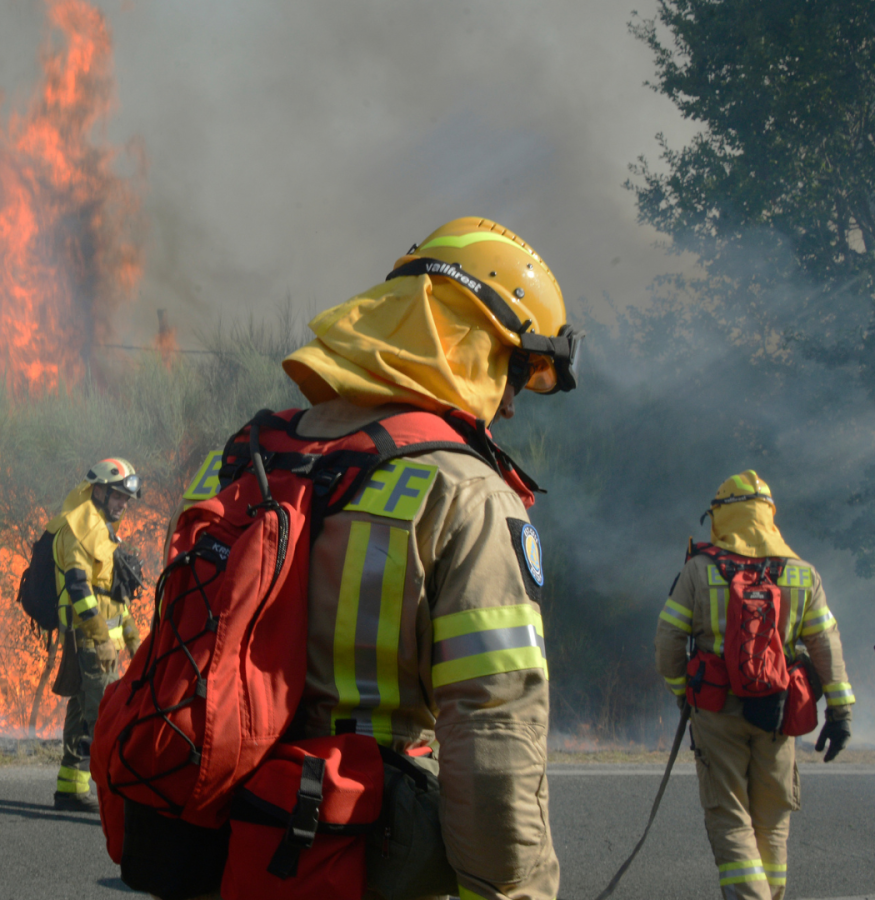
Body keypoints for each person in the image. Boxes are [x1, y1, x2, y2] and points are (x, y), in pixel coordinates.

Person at [273, 217, 580, 899]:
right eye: (511, 370)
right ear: (473, 343)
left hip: (240, 841)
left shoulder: (251, 459)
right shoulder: (465, 492)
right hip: (364, 843)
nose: (508, 404)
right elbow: (492, 734)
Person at [654, 471, 854, 900]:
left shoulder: (699, 571)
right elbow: (826, 646)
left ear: (723, 516)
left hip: (717, 712)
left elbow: (668, 641)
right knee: (773, 818)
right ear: (768, 516)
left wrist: (681, 693)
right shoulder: (802, 575)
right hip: (778, 714)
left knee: (729, 815)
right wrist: (840, 710)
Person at [49, 458, 143, 812]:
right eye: (117, 496)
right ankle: (112, 796)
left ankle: (70, 787)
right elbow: (79, 590)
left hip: (106, 642)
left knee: (81, 710)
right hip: (92, 643)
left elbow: (112, 593)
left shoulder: (101, 529)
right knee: (102, 718)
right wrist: (100, 637)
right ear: (99, 490)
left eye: (125, 499)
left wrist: (131, 635)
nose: (122, 504)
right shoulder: (79, 529)